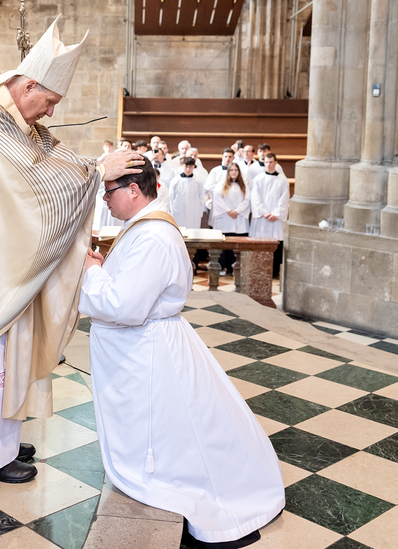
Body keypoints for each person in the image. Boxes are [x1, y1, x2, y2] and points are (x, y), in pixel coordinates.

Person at [0, 16, 144, 483]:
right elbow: (28, 185)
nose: (49, 113)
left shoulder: (18, 121)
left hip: (6, 262)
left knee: (9, 356)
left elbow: (56, 162)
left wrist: (94, 168)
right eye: (49, 102)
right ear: (29, 86)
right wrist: (97, 171)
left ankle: (0, 444)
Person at [80, 161, 285, 547]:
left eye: (109, 192)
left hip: (148, 350)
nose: (105, 200)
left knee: (170, 427)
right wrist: (104, 269)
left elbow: (125, 305)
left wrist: (91, 272)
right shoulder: (143, 227)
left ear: (133, 190)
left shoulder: (154, 236)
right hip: (144, 345)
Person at [250, 153, 290, 277]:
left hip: (276, 219)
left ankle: (274, 272)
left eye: (271, 162)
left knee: (276, 243)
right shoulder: (258, 179)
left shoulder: (283, 180)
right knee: (260, 244)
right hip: (262, 218)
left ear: (276, 163)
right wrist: (264, 212)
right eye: (266, 162)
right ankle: (259, 270)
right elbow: (255, 198)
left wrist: (276, 214)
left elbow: (284, 199)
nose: (268, 165)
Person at [212, 162, 250, 275]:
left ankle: (235, 268)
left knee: (237, 245)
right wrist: (228, 211)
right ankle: (222, 267)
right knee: (224, 244)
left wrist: (237, 211)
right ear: (228, 172)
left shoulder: (244, 186)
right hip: (225, 218)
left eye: (236, 170)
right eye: (231, 170)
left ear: (239, 172)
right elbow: (217, 199)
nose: (234, 172)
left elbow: (247, 200)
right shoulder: (221, 185)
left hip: (238, 218)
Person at [169, 156, 205, 229]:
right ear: (183, 166)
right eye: (186, 167)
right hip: (178, 211)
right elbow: (171, 197)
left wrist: (200, 212)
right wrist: (171, 211)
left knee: (193, 229)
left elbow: (202, 197)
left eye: (190, 167)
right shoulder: (176, 180)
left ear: (194, 167)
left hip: (194, 211)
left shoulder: (198, 181)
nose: (188, 169)